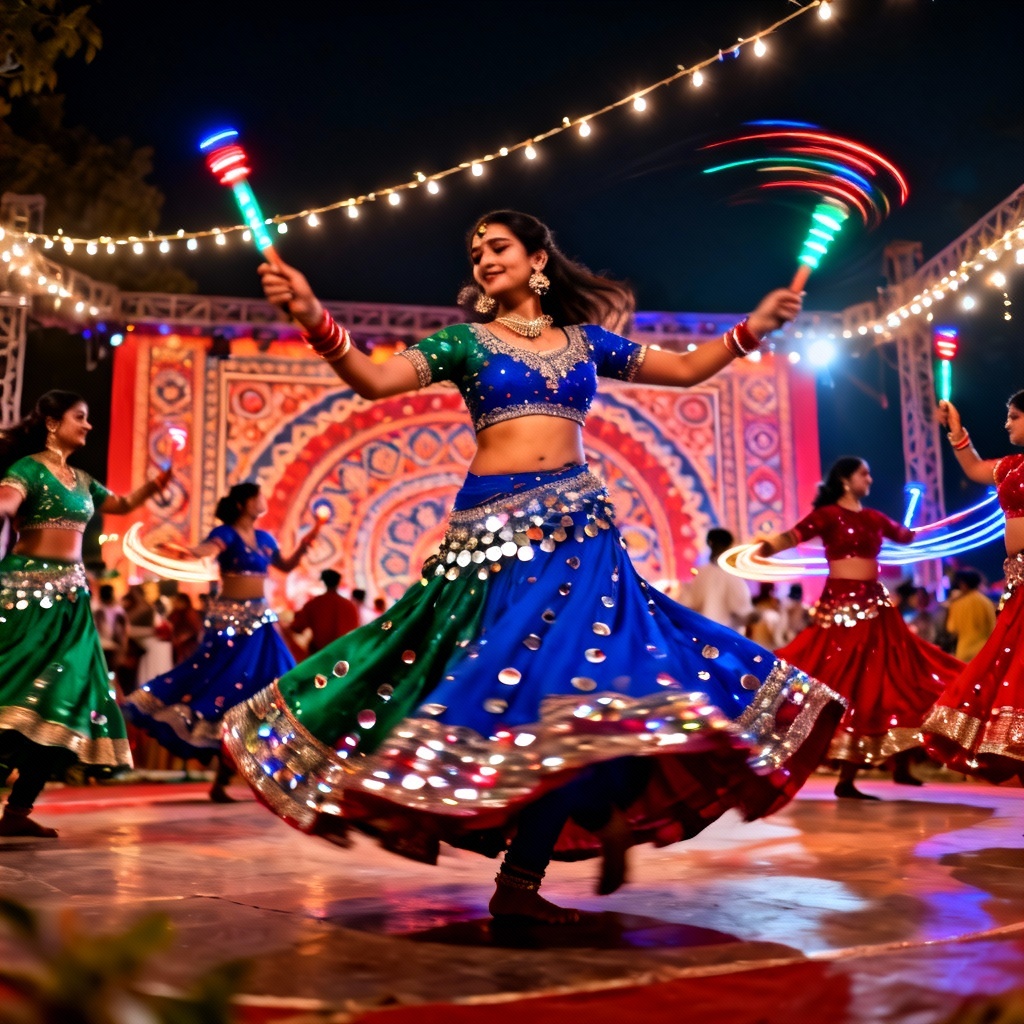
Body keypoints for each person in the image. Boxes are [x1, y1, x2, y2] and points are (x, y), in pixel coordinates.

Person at [223, 209, 845, 925]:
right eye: (476, 251)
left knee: (590, 683)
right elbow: (371, 379)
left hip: (581, 535)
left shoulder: (584, 343)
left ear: (538, 258)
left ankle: (528, 875)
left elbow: (684, 370)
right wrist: (311, 315)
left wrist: (755, 326)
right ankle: (585, 817)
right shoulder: (464, 342)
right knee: (500, 693)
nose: (484, 259)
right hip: (491, 540)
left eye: (498, 247)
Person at [0, 390, 171, 837]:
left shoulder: (82, 479)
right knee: (14, 691)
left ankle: (18, 812)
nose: (89, 425)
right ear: (53, 423)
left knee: (73, 697)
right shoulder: (26, 469)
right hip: (26, 599)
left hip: (72, 607)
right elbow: (6, 503)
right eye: (81, 417)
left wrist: (156, 485)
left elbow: (122, 505)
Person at [758, 456, 963, 799]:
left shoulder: (872, 517)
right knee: (844, 680)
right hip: (839, 613)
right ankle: (841, 773)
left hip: (877, 611)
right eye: (863, 473)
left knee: (891, 679)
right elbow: (795, 535)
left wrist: (926, 522)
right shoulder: (827, 516)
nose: (869, 478)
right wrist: (764, 548)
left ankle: (897, 767)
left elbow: (905, 537)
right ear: (844, 480)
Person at [122, 482, 319, 802]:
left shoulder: (266, 540)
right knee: (224, 692)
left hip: (263, 626)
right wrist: (186, 552)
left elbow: (284, 565)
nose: (263, 501)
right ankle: (221, 776)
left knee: (270, 692)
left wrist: (304, 547)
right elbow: (206, 551)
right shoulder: (226, 534)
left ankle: (266, 775)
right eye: (258, 497)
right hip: (230, 626)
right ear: (243, 504)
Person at [923, 394, 1024, 783]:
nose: (1006, 424)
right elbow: (975, 467)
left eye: (1014, 417)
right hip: (1017, 587)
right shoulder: (1013, 466)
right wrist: (956, 430)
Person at [678, 527, 754, 632]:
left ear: (709, 543)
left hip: (701, 636)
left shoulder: (700, 574)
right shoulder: (733, 577)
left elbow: (685, 605)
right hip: (726, 640)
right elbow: (743, 613)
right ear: (730, 547)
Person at [288, 568, 360, 655]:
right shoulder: (349, 605)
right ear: (338, 583)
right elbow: (355, 632)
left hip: (321, 656)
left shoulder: (314, 604)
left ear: (323, 582)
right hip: (345, 654)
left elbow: (297, 627)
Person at [942, 568, 997, 662]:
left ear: (963, 584)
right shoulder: (986, 602)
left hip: (963, 652)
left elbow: (951, 628)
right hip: (984, 651)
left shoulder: (956, 604)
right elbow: (993, 627)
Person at [93, 582, 126, 677]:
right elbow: (124, 633)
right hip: (110, 648)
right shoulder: (118, 611)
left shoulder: (97, 610)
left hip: (104, 648)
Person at [746, 582, 786, 650]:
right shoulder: (771, 611)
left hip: (756, 645)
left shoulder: (756, 606)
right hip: (767, 647)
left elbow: (748, 629)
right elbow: (778, 639)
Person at [166, 591, 204, 664]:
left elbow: (197, 628)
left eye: (177, 601)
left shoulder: (189, 613)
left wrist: (181, 638)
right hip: (176, 646)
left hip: (186, 646)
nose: (175, 603)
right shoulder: (175, 613)